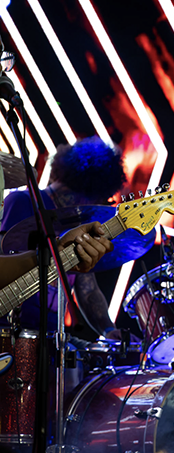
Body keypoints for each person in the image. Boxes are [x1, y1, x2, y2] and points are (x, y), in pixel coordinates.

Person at [0, 136, 126, 339]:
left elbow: (88, 290)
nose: (102, 204)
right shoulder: (23, 201)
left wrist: (109, 330)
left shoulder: (76, 224)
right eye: (104, 199)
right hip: (10, 333)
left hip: (51, 336)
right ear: (93, 190)